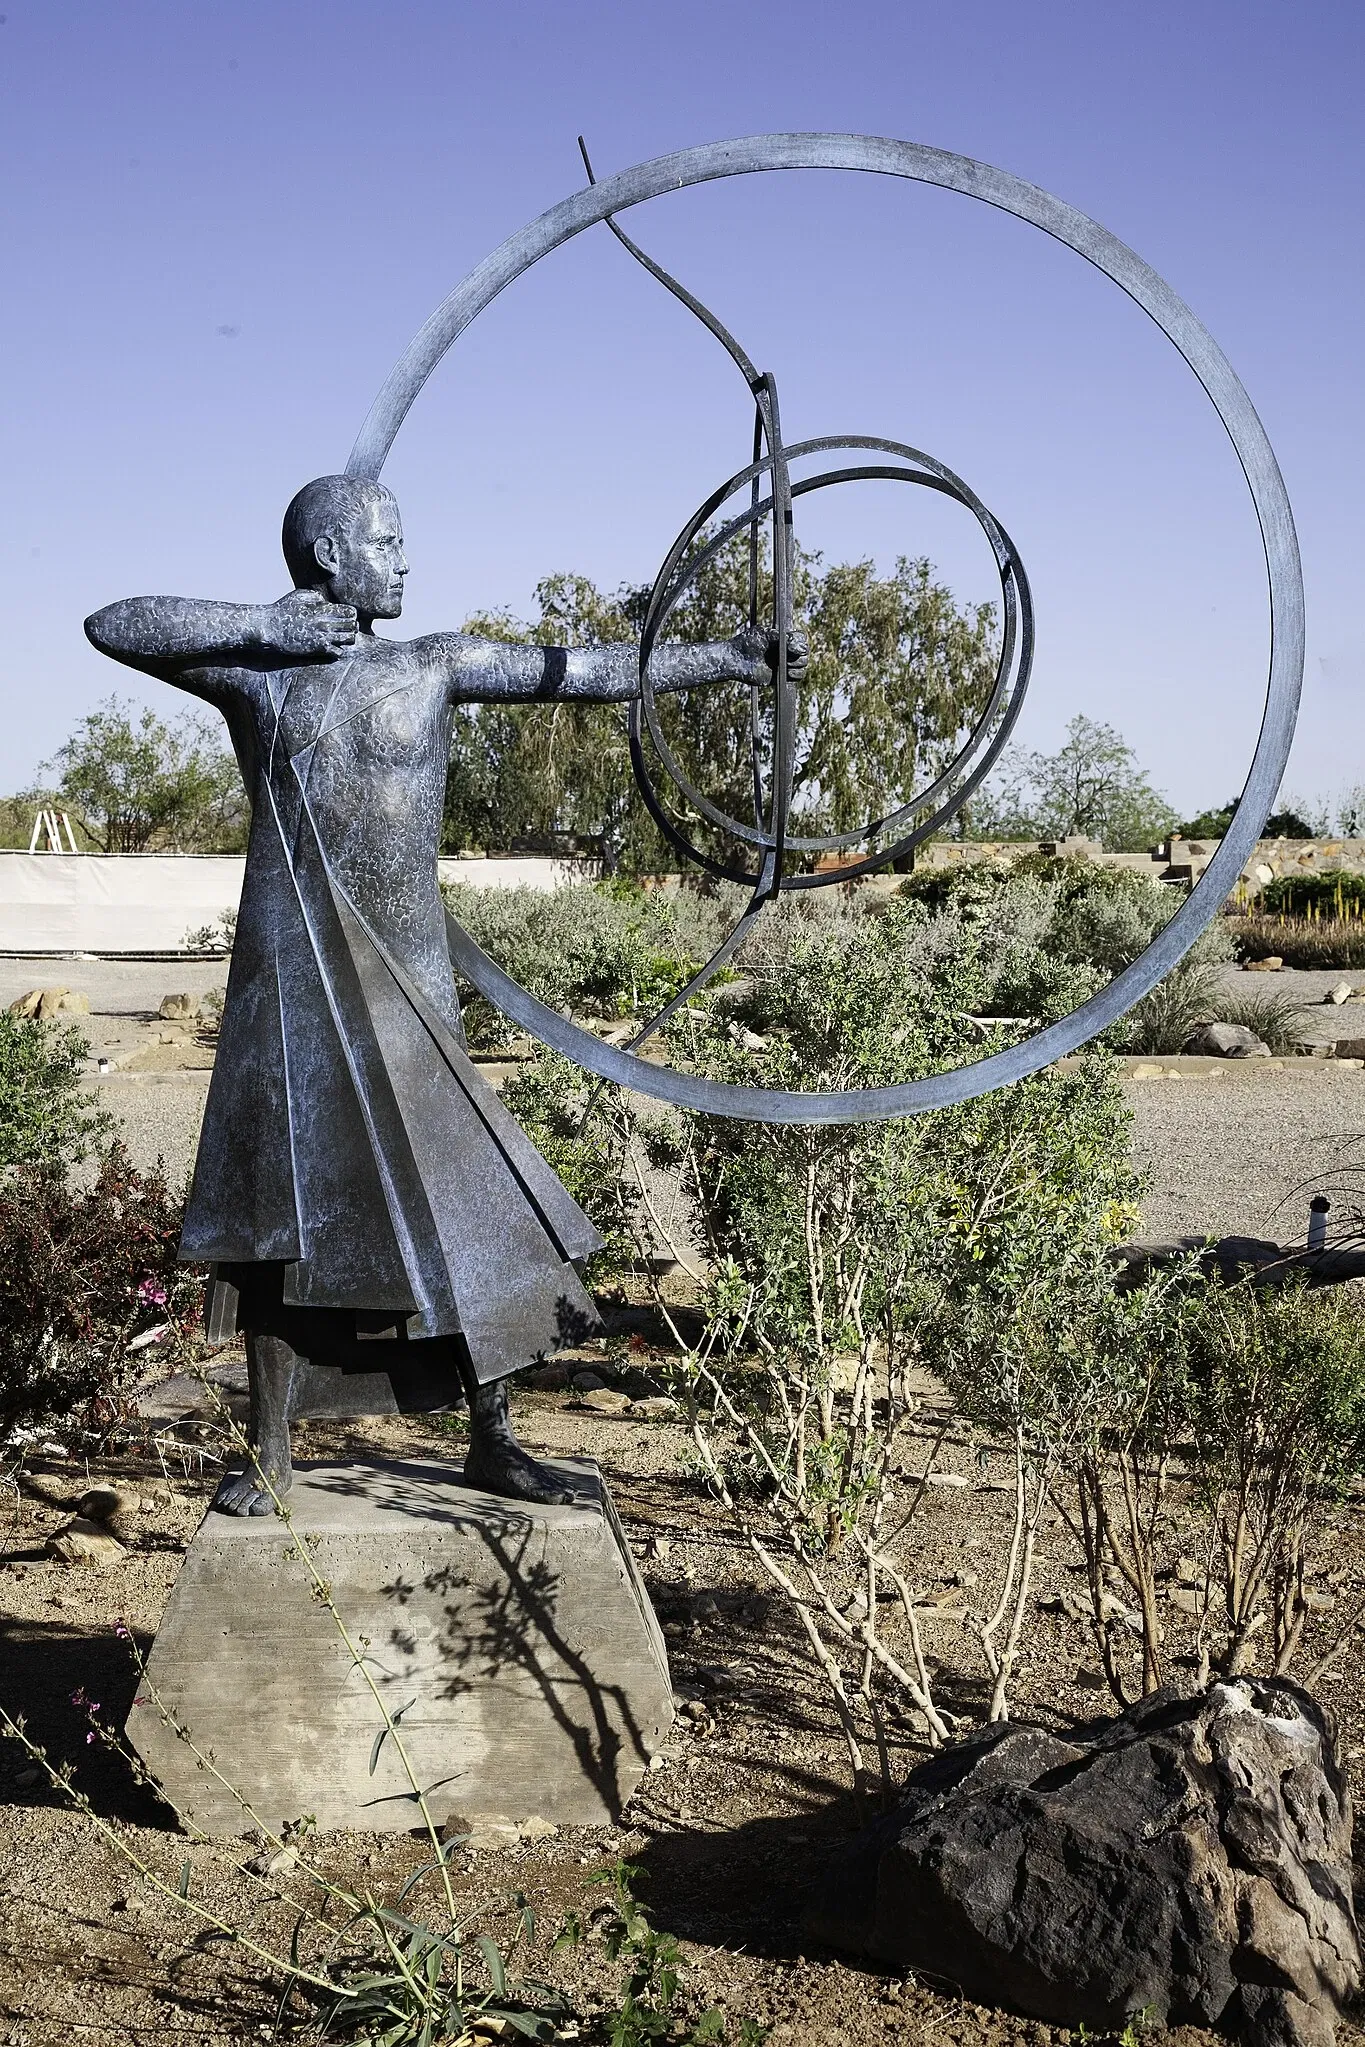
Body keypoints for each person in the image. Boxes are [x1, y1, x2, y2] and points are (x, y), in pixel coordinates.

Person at [86, 474, 795, 1514]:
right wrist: (274, 633)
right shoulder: (259, 677)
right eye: (388, 539)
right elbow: (114, 623)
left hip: (407, 986)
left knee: (480, 1210)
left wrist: (728, 661)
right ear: (331, 558)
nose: (407, 558)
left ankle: (494, 1440)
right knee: (284, 1225)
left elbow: (584, 673)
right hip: (295, 986)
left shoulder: (434, 661)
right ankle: (274, 1454)